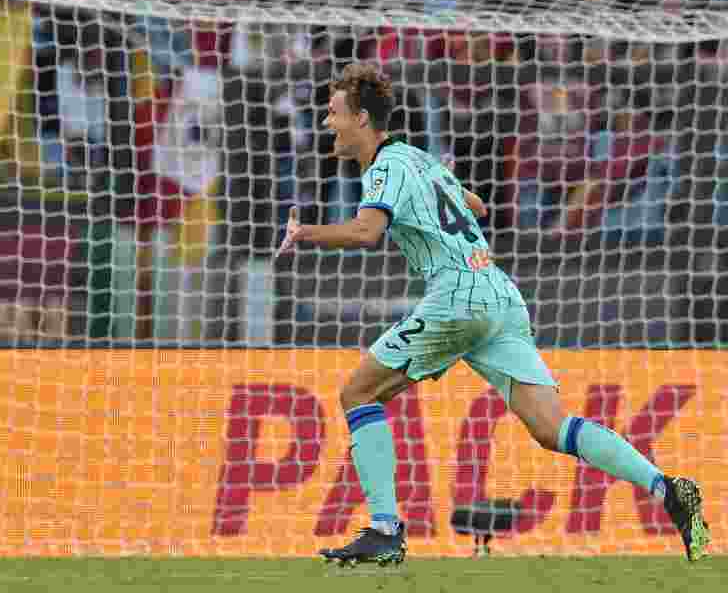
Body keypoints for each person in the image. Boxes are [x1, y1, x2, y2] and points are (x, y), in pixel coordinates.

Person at [275, 62, 710, 567]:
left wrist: (305, 233)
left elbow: (365, 232)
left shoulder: (385, 168)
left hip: (456, 296)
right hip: (498, 293)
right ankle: (667, 488)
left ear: (363, 119)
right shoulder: (419, 160)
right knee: (551, 428)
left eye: (333, 113)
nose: (327, 123)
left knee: (358, 393)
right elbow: (476, 204)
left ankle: (384, 529)